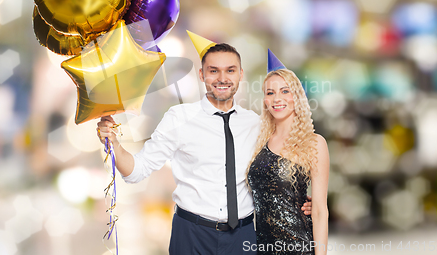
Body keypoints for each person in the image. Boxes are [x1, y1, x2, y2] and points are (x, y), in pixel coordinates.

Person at [96, 33, 312, 255]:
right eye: (213, 71)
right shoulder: (179, 118)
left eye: (230, 70)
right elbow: (136, 172)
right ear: (201, 74)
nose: (222, 78)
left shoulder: (256, 124)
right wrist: (114, 144)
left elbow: (279, 170)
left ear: (240, 75)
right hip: (191, 234)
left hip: (243, 236)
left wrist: (303, 201)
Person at [246, 50, 329, 255]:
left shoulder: (314, 143)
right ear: (265, 100)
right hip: (262, 247)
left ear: (297, 97)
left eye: (285, 91)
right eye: (270, 92)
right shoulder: (259, 141)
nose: (277, 98)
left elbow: (319, 211)